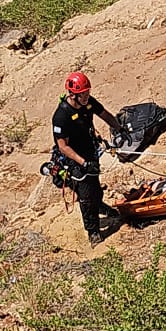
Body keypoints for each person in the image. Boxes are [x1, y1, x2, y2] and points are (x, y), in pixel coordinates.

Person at [51, 71, 120, 243]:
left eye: (88, 93)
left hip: (90, 150)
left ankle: (100, 206)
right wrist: (84, 163)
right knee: (86, 195)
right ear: (73, 95)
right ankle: (93, 232)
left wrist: (119, 129)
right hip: (74, 159)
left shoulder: (88, 103)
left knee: (95, 187)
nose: (87, 97)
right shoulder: (62, 116)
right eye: (83, 94)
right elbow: (63, 146)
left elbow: (104, 114)